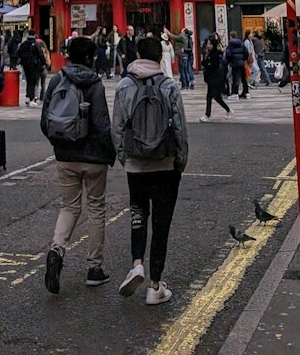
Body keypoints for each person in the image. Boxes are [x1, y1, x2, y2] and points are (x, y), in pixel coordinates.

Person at [112, 35, 189, 305]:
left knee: (138, 213)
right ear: (159, 57)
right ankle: (155, 285)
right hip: (165, 162)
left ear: (136, 54)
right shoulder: (169, 86)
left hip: (136, 164)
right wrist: (181, 159)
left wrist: (125, 159)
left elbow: (117, 128)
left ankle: (136, 265)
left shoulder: (124, 85)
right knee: (161, 223)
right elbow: (180, 127)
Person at [41, 34, 116, 293]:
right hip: (94, 158)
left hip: (66, 155)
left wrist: (59, 144)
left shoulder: (57, 80)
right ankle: (94, 268)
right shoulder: (95, 84)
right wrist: (110, 154)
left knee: (69, 207)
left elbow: (45, 120)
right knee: (96, 210)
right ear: (88, 57)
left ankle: (56, 250)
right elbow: (102, 124)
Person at [199, 33, 231, 122]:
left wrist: (205, 63)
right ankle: (228, 110)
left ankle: (207, 115)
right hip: (211, 78)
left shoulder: (215, 54)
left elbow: (212, 65)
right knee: (217, 97)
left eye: (210, 44)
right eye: (207, 44)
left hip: (215, 78)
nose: (208, 46)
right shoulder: (209, 53)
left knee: (209, 97)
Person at [18, 29, 46, 107]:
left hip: (26, 65)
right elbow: (40, 54)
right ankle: (31, 98)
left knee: (28, 80)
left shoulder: (24, 44)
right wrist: (43, 62)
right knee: (34, 81)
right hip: (34, 65)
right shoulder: (35, 44)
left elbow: (19, 53)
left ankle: (28, 96)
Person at [224, 31, 249, 99]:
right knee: (243, 79)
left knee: (235, 78)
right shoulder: (241, 43)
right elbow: (246, 52)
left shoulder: (230, 44)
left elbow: (228, 54)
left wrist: (229, 61)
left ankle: (235, 93)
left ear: (230, 36)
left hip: (235, 63)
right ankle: (246, 93)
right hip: (242, 63)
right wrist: (244, 59)